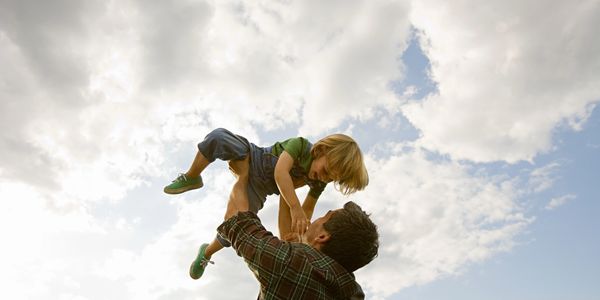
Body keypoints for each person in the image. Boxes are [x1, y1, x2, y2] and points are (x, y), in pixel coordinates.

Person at [163, 128, 369, 279]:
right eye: (325, 171)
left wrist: (297, 234)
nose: (323, 179)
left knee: (234, 225)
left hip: (259, 188)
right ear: (321, 150)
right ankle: (192, 176)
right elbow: (281, 173)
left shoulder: (317, 181)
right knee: (218, 137)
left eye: (330, 179)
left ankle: (206, 252)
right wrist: (295, 208)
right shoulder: (300, 146)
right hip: (252, 157)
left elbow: (306, 210)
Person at [205, 199, 379, 299]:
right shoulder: (351, 293)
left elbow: (235, 218)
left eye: (322, 217)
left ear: (322, 237)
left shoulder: (290, 264)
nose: (313, 220)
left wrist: (242, 176)